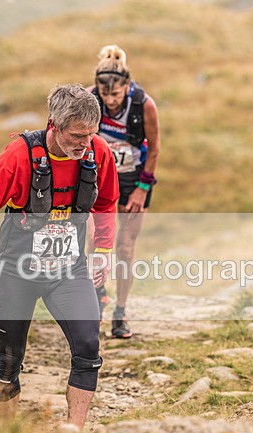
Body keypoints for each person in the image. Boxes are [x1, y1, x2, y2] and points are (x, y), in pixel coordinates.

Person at [0, 83, 119, 429]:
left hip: (69, 271)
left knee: (89, 347)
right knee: (8, 357)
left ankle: (75, 430)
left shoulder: (97, 153)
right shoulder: (17, 157)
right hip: (17, 273)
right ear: (54, 126)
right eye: (77, 135)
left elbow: (106, 203)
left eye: (91, 135)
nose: (85, 144)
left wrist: (103, 251)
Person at [89, 44, 161, 339]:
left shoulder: (144, 104)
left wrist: (142, 190)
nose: (110, 101)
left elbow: (154, 149)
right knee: (93, 241)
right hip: (99, 179)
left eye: (115, 94)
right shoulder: (90, 100)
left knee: (126, 248)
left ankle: (121, 311)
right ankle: (97, 300)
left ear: (126, 86)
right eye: (105, 95)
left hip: (134, 178)